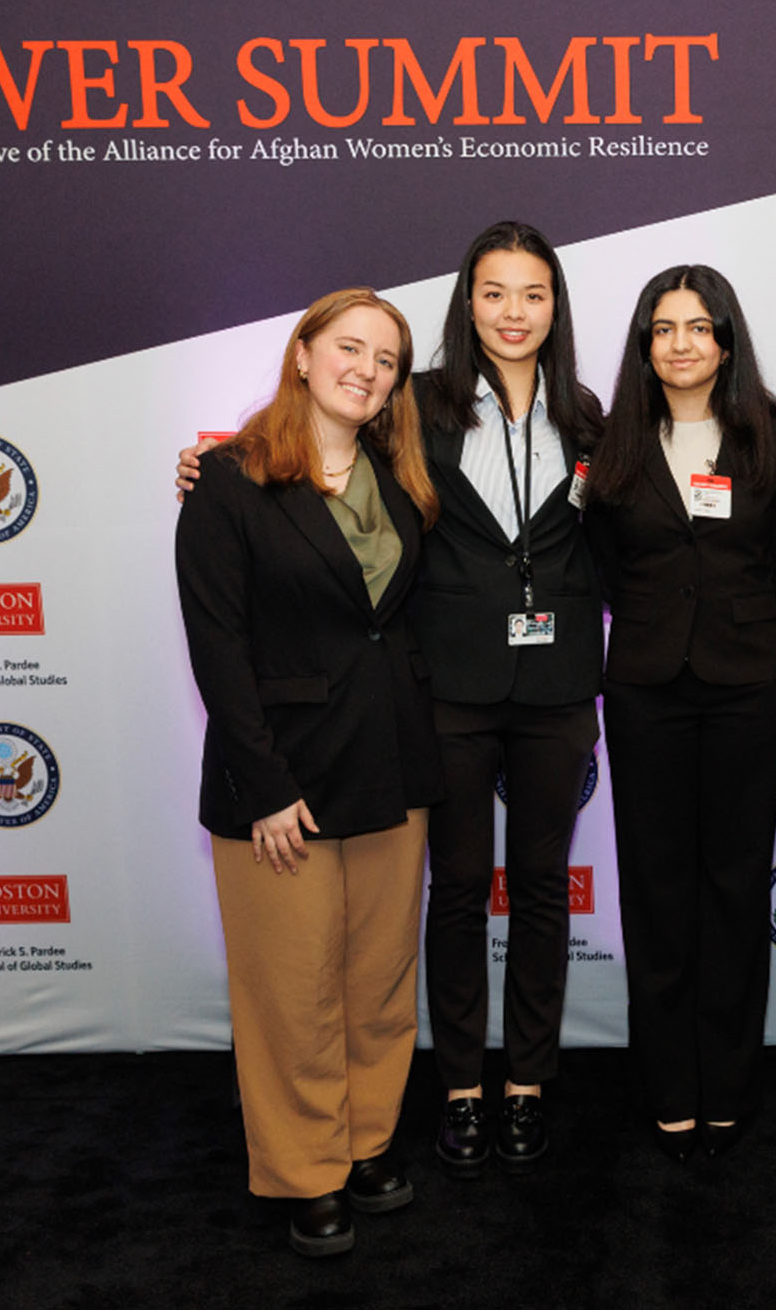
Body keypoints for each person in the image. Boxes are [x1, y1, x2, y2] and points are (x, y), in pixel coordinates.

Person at [181, 221, 603, 1175]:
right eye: (493, 292)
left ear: (554, 306)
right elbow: (286, 476)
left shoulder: (585, 414)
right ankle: (456, 1089)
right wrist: (205, 464)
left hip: (546, 692)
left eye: (532, 294)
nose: (512, 312)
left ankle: (522, 1086)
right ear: (468, 303)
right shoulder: (414, 403)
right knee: (452, 897)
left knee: (531, 896)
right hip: (442, 695)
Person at [175, 287, 442, 1257]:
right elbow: (218, 649)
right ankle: (304, 1169)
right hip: (279, 781)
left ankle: (366, 1142)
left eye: (386, 360)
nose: (366, 369)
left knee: (376, 979)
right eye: (350, 348)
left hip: (389, 763)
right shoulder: (227, 482)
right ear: (302, 353)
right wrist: (263, 784)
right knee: (290, 988)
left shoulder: (398, 475)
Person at [581, 265, 776, 1159]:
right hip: (644, 687)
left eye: (698, 327)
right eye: (663, 328)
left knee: (737, 885)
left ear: (726, 340)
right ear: (645, 344)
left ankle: (730, 1081)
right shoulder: (615, 441)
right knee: (657, 886)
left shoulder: (772, 437)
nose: (681, 343)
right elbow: (600, 561)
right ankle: (669, 1079)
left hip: (747, 685)